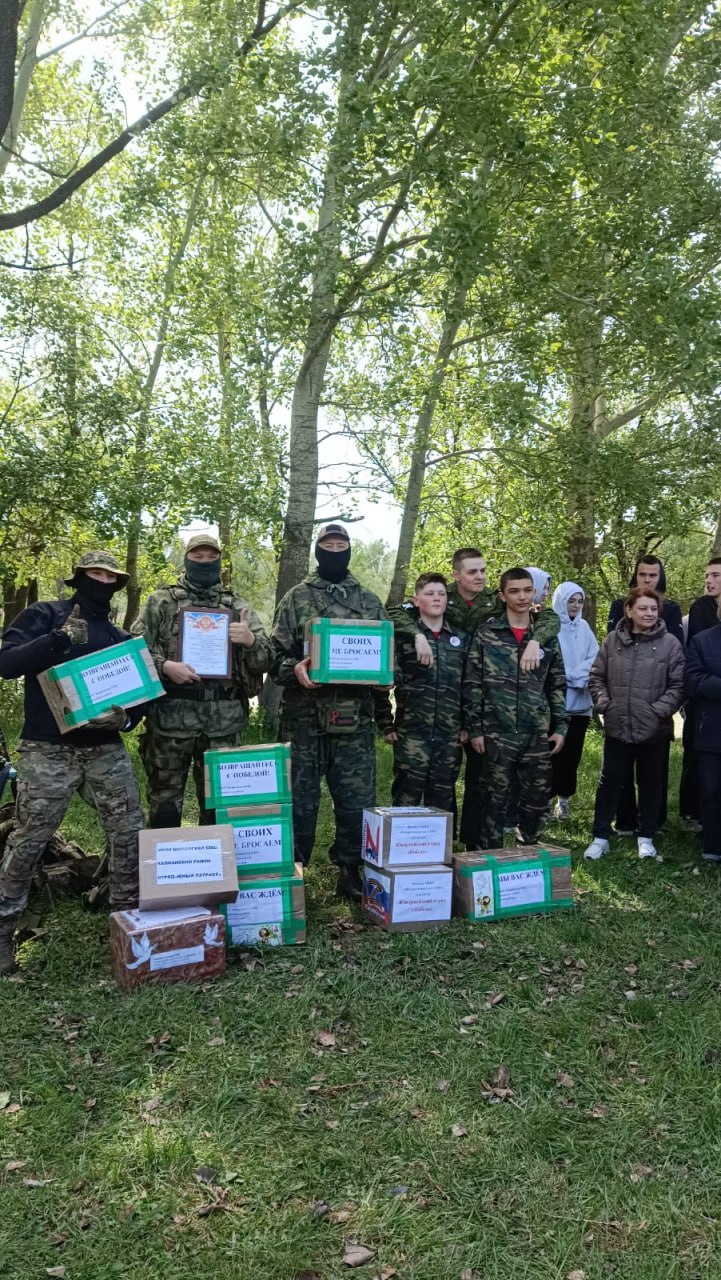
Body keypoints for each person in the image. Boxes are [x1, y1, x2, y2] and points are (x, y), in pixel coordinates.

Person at [0, 551, 145, 974]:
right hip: (47, 749)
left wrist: (127, 718)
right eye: (94, 573)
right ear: (79, 577)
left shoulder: (118, 637)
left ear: (117, 583)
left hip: (104, 749)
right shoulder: (44, 614)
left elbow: (140, 699)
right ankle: (4, 933)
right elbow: (6, 663)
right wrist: (57, 641)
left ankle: (128, 924)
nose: (102, 579)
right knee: (29, 839)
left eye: (109, 575)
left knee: (129, 832)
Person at [390, 548, 560, 848]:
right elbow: (393, 612)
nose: (479, 576)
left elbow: (544, 615)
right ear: (457, 575)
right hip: (451, 705)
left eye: (482, 571)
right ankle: (417, 846)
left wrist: (535, 640)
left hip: (485, 706)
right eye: (472, 572)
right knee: (441, 782)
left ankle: (474, 845)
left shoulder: (496, 600)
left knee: (480, 783)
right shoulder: (441, 595)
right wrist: (416, 635)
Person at [270, 523, 391, 900]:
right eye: (328, 545)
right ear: (318, 551)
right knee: (298, 798)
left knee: (356, 799)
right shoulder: (296, 598)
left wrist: (385, 677)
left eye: (341, 546)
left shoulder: (369, 601)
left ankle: (350, 869)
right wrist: (296, 670)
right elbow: (274, 656)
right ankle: (292, 869)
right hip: (303, 719)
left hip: (354, 720)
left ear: (349, 551)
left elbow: (389, 655)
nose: (335, 551)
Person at [132, 533, 271, 827]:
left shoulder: (239, 607)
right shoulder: (161, 601)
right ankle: (165, 869)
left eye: (211, 557)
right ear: (186, 559)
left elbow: (266, 660)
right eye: (198, 556)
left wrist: (249, 641)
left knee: (219, 806)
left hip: (224, 723)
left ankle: (215, 870)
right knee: (164, 803)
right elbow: (134, 653)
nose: (205, 562)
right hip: (171, 721)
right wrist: (165, 665)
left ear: (220, 561)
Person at [463, 567, 567, 849]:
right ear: (502, 595)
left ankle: (529, 856)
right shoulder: (487, 634)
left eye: (527, 590)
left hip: (536, 733)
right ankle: (490, 860)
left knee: (536, 801)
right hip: (496, 732)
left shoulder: (545, 635)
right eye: (514, 591)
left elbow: (557, 683)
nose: (521, 597)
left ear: (534, 593)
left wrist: (560, 726)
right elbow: (472, 683)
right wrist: (475, 729)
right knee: (493, 803)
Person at [585, 587, 685, 862]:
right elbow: (596, 677)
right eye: (643, 608)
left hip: (655, 729)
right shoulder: (612, 641)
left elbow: (678, 686)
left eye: (653, 609)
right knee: (610, 782)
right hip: (618, 725)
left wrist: (657, 712)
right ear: (629, 610)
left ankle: (646, 838)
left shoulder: (671, 645)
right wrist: (606, 704)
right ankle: (601, 836)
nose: (649, 613)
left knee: (650, 783)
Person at [607, 555, 683, 832]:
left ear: (659, 577)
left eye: (653, 575)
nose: (647, 579)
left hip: (656, 700)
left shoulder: (670, 608)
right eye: (643, 574)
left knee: (654, 771)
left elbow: (677, 654)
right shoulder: (619, 605)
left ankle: (653, 822)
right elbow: (611, 651)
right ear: (635, 576)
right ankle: (624, 820)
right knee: (621, 771)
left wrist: (663, 706)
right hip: (623, 698)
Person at [382, 573, 468, 810]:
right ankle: (401, 845)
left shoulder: (461, 638)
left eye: (441, 594)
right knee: (406, 795)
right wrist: (385, 724)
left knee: (443, 797)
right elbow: (383, 682)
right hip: (412, 732)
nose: (437, 599)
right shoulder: (403, 639)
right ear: (416, 600)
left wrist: (468, 724)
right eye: (429, 594)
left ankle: (443, 847)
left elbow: (470, 685)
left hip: (449, 734)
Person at [550, 581, 599, 820]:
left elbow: (594, 657)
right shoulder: (550, 626)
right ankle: (544, 801)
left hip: (580, 704)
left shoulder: (585, 627)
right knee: (551, 755)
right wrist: (566, 676)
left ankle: (564, 801)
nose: (575, 605)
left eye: (579, 601)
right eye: (571, 600)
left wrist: (575, 676)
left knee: (571, 756)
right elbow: (550, 661)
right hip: (556, 704)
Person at [680, 558, 721, 825]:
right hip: (704, 699)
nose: (708, 580)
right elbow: (702, 653)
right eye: (707, 575)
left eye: (716, 575)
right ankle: (692, 812)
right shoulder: (701, 608)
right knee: (696, 756)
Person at [685, 603, 721, 862]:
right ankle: (713, 848)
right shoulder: (701, 641)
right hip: (712, 730)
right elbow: (693, 679)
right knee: (712, 790)